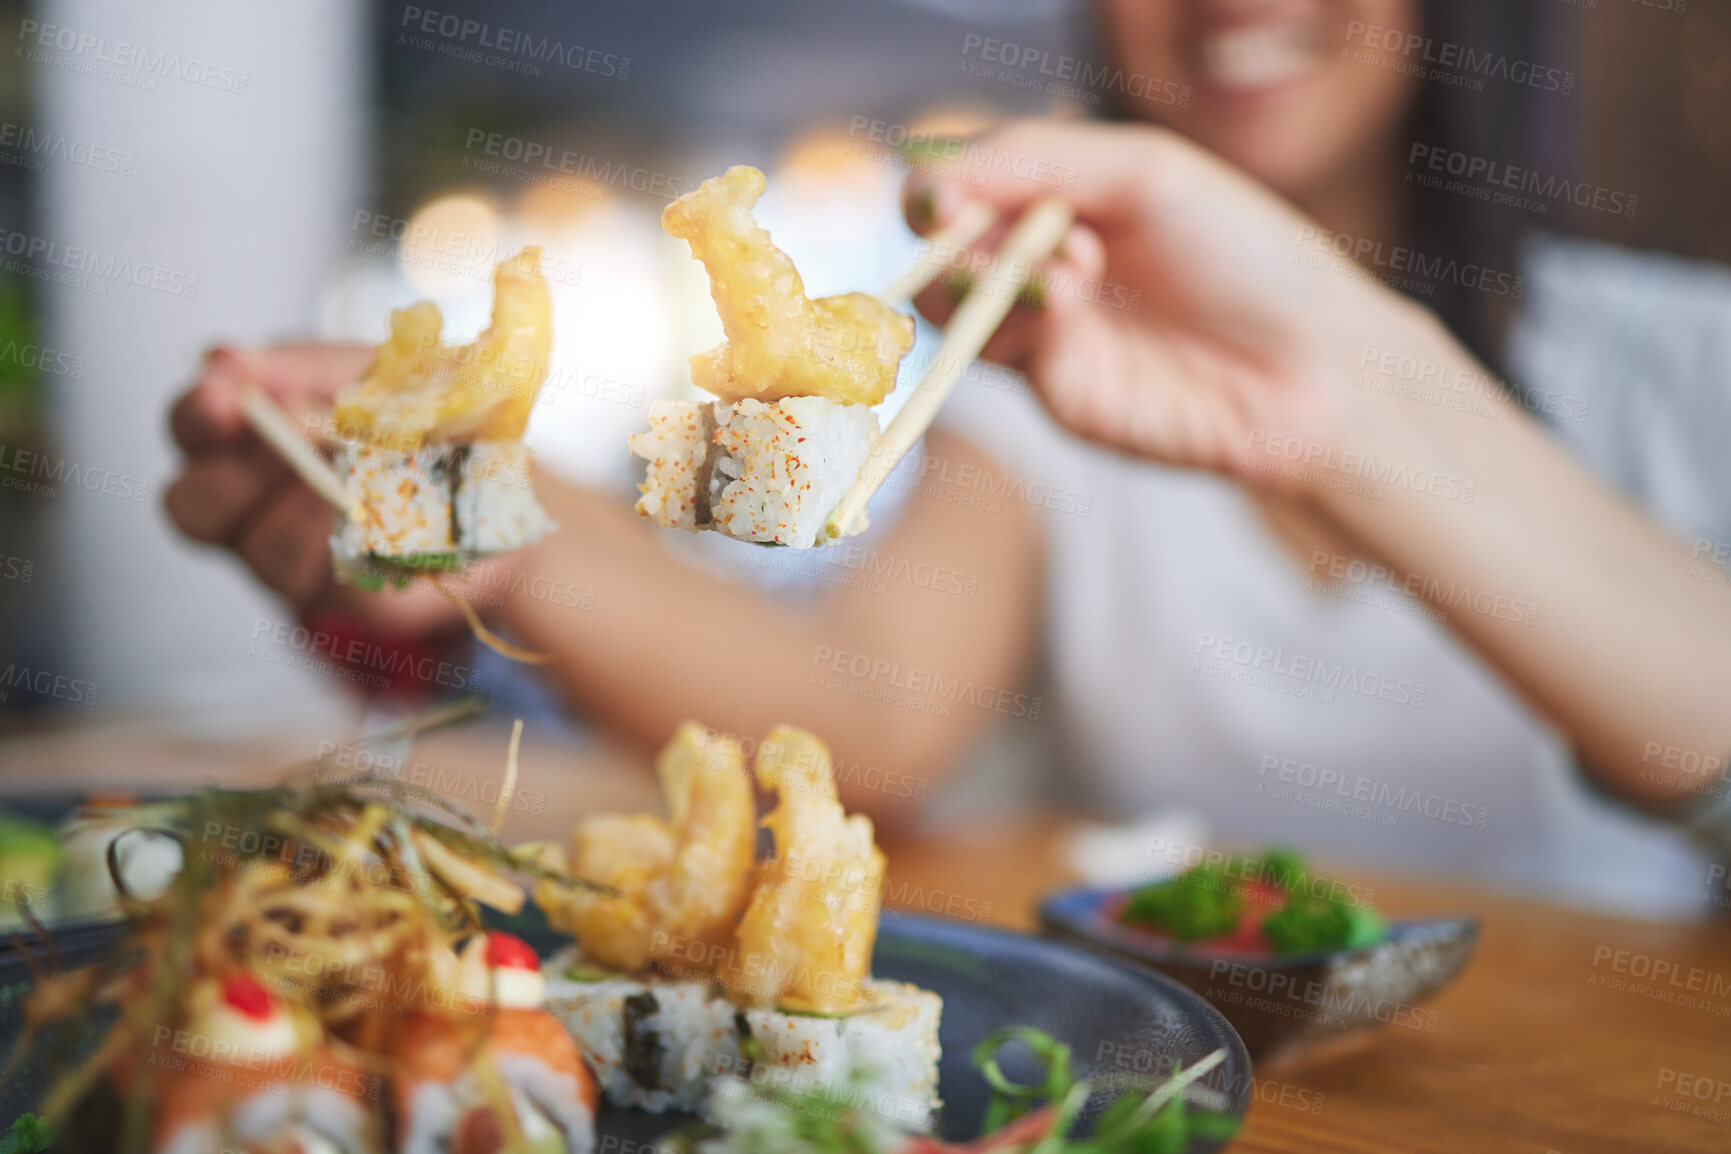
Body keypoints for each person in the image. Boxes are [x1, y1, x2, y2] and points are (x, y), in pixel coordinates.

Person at [164, 0, 1731, 912]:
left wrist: (1363, 412)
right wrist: (511, 516)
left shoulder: (1684, 357)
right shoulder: (1048, 365)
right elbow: (861, 724)